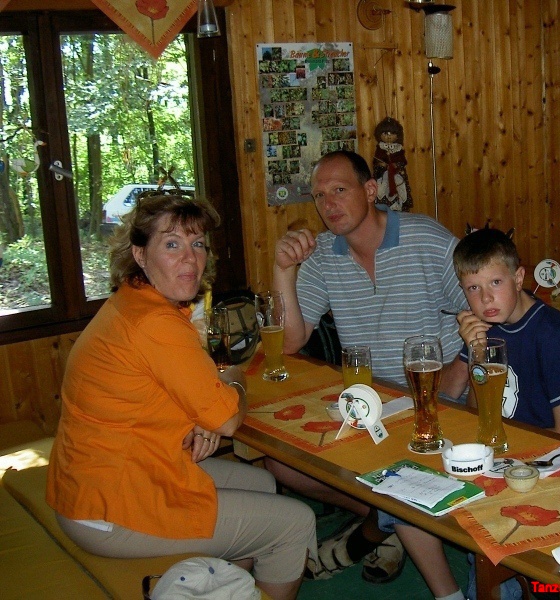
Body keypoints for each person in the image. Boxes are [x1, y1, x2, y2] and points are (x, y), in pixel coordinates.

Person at [45, 192, 316, 600]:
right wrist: (234, 380)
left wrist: (201, 413)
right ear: (140, 254)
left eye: (198, 244)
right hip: (108, 509)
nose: (190, 258)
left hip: (105, 479)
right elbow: (228, 418)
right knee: (295, 522)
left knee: (262, 483)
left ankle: (227, 589)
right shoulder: (154, 321)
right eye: (172, 244)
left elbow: (169, 390)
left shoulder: (134, 301)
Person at [270, 150, 467, 590]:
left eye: (340, 190)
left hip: (436, 400)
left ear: (371, 190)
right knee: (283, 466)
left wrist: (460, 372)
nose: (329, 204)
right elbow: (289, 342)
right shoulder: (323, 255)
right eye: (320, 196)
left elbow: (486, 308)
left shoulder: (425, 238)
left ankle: (389, 533)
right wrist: (283, 270)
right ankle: (386, 521)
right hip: (372, 404)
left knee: (405, 475)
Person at [435, 227, 560, 599]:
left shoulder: (551, 335)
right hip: (499, 459)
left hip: (545, 470)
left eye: (496, 283)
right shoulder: (482, 330)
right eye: (473, 288)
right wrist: (473, 353)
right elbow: (463, 406)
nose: (485, 298)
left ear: (519, 278)